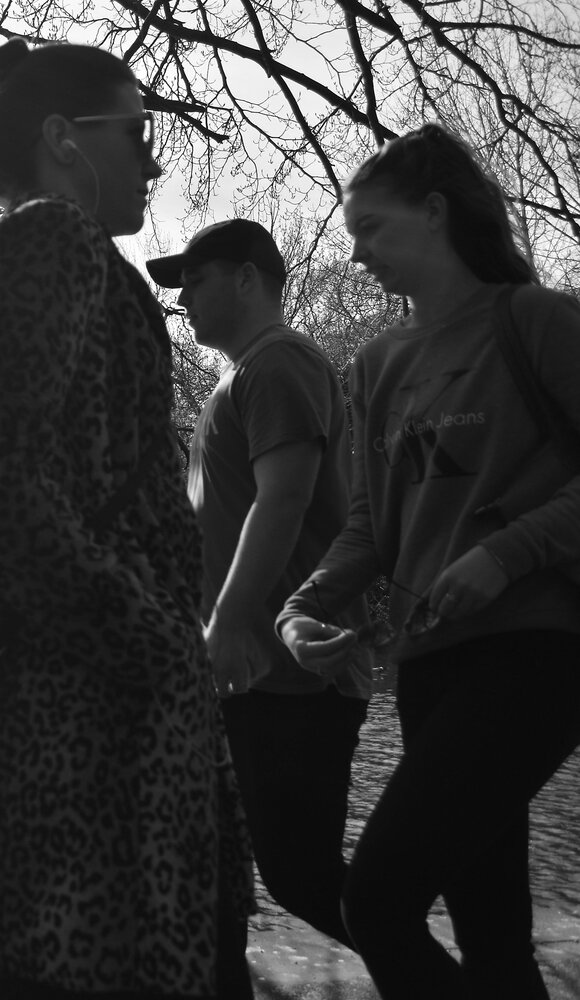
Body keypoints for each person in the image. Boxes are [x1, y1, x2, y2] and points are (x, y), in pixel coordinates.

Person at [0, 38, 254, 999]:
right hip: (81, 763)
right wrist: (144, 635)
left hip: (83, 752)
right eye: (137, 131)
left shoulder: (66, 259)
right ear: (66, 140)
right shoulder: (50, 241)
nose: (153, 157)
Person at [277, 123, 580, 999]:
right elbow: (374, 525)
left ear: (436, 212)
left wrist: (509, 553)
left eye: (370, 228)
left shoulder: (536, 322)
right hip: (427, 664)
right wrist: (303, 607)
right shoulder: (377, 363)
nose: (357, 252)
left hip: (535, 655)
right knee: (493, 938)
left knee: (376, 902)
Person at [146, 220, 372, 949]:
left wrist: (232, 622)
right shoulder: (239, 379)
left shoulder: (280, 364)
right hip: (251, 675)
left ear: (248, 277)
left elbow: (286, 499)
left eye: (197, 279)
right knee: (258, 879)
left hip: (296, 673)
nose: (183, 300)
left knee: (299, 873)